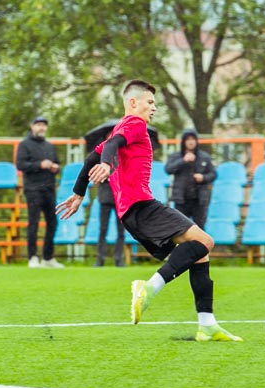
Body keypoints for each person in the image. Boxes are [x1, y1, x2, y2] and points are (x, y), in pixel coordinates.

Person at [56, 79, 241, 342]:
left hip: (131, 213)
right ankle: (149, 287)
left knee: (197, 254)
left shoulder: (121, 127)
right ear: (133, 103)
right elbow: (107, 151)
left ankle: (207, 324)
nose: (154, 108)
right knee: (205, 241)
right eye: (150, 102)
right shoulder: (135, 124)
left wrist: (78, 192)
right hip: (141, 205)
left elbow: (91, 158)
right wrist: (108, 166)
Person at [16, 116, 64, 268]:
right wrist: (40, 164)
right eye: (38, 125)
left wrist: (55, 168)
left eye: (44, 125)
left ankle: (48, 258)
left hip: (49, 188)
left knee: (53, 222)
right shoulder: (24, 145)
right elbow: (20, 164)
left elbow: (57, 164)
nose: (41, 127)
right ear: (32, 126)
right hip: (33, 189)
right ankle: (32, 258)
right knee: (33, 223)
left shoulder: (49, 146)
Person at [165, 128, 216, 229]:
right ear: (183, 142)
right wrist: (183, 160)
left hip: (199, 200)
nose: (191, 142)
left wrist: (203, 178)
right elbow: (168, 169)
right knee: (181, 229)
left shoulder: (204, 157)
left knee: (200, 229)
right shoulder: (176, 156)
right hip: (181, 200)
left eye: (193, 139)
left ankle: (199, 245)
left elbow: (213, 174)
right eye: (188, 139)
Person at [93, 181, 125, 267]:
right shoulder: (101, 167)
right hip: (105, 197)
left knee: (121, 231)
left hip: (120, 197)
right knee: (103, 230)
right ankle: (100, 259)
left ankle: (119, 259)